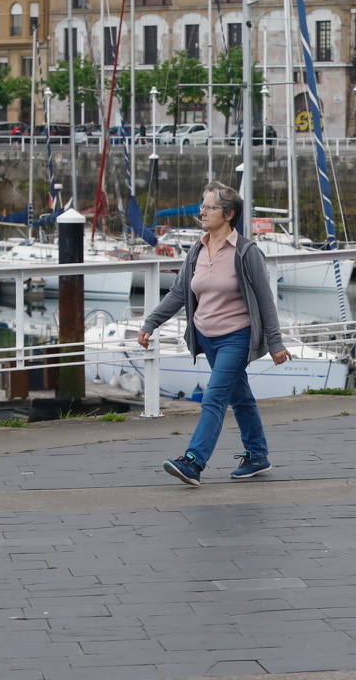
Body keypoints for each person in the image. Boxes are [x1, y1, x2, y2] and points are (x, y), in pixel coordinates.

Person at [138, 182, 292, 486]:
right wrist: (149, 323)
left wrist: (275, 343)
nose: (202, 211)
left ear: (229, 214)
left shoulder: (247, 252)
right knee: (241, 396)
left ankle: (194, 460)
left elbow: (265, 301)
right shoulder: (196, 249)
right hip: (205, 336)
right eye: (203, 205)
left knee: (214, 396)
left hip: (237, 336)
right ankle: (257, 455)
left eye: (210, 207)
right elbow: (180, 292)